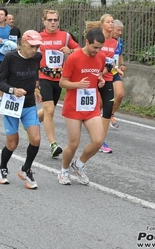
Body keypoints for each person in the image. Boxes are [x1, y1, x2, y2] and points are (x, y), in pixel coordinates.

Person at [0, 30, 43, 189]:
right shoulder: (10, 58)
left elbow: (35, 73)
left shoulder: (37, 57)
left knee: (35, 139)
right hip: (12, 103)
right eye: (32, 46)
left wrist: (36, 89)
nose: (34, 50)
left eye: (37, 47)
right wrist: (12, 90)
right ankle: (2, 168)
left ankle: (26, 169)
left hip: (29, 104)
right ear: (23, 43)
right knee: (13, 142)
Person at [57, 28, 106, 185]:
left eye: (100, 48)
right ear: (87, 42)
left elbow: (97, 75)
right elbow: (62, 82)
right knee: (73, 144)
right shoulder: (74, 58)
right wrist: (77, 84)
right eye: (95, 47)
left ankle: (78, 165)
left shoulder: (101, 57)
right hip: (73, 106)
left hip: (91, 106)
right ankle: (64, 171)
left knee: (98, 141)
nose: (97, 51)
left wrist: (100, 81)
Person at [37, 9, 80, 158]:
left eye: (55, 20)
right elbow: (30, 55)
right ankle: (53, 144)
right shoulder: (38, 37)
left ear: (59, 21)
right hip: (44, 77)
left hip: (59, 79)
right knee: (49, 110)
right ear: (44, 21)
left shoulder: (65, 36)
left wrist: (71, 51)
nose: (53, 22)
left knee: (49, 110)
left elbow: (79, 50)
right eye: (49, 20)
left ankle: (31, 122)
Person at [84, 14, 123, 154]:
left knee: (107, 109)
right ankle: (92, 134)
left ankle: (100, 141)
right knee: (92, 108)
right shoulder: (97, 39)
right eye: (108, 22)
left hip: (107, 77)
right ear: (102, 25)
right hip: (94, 77)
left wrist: (116, 68)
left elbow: (112, 60)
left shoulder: (115, 42)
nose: (111, 24)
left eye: (113, 21)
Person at [110, 19, 127, 128]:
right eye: (118, 30)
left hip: (114, 72)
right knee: (102, 100)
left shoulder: (119, 41)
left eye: (121, 31)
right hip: (103, 72)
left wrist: (122, 64)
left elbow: (120, 54)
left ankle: (111, 114)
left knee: (120, 94)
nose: (120, 33)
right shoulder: (104, 40)